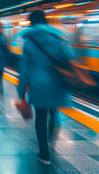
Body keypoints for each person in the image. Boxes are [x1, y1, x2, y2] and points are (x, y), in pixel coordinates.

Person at [17, 10, 72, 165]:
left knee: (40, 117)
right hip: (57, 82)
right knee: (53, 112)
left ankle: (44, 153)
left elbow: (25, 70)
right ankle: (50, 140)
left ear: (31, 24)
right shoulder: (58, 38)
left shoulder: (29, 42)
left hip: (38, 84)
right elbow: (69, 56)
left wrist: (21, 92)